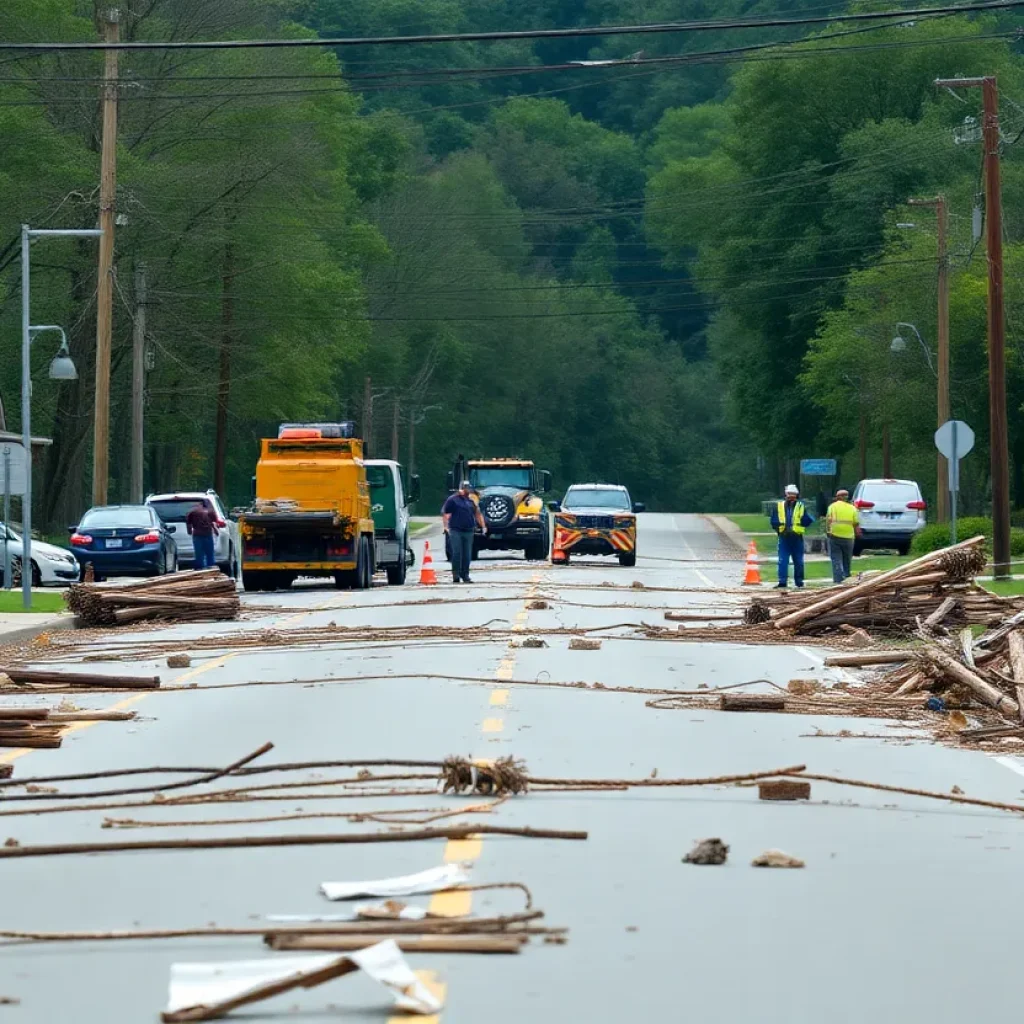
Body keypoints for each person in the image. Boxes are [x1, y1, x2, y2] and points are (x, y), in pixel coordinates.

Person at [769, 484, 814, 588]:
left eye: (793, 495)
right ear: (786, 495)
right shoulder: (779, 506)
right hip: (784, 537)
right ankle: (782, 582)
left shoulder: (801, 506)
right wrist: (779, 530)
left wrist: (804, 523)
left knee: (798, 561)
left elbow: (806, 520)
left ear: (796, 496)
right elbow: (774, 521)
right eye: (789, 495)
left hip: (796, 537)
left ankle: (799, 582)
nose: (791, 497)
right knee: (783, 561)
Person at [442, 480, 487, 584]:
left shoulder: (471, 501)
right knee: (457, 552)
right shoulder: (453, 500)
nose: (467, 490)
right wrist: (446, 527)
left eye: (468, 488)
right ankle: (456, 575)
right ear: (461, 488)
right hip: (455, 530)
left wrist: (483, 526)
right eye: (465, 488)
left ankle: (465, 575)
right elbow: (445, 513)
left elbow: (477, 514)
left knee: (467, 554)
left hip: (469, 530)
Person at [825, 487, 861, 583]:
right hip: (849, 538)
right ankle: (847, 577)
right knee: (847, 559)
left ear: (837, 497)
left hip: (834, 536)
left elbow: (828, 521)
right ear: (847, 497)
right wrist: (858, 534)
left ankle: (838, 580)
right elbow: (856, 524)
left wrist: (828, 532)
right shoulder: (852, 508)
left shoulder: (832, 507)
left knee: (836, 558)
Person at [186, 498, 219, 571]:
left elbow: (188, 523)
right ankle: (210, 568)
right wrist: (216, 531)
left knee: (199, 553)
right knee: (209, 553)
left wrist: (189, 531)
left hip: (197, 534)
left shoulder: (192, 512)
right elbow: (213, 523)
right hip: (207, 533)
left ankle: (200, 568)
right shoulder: (210, 512)